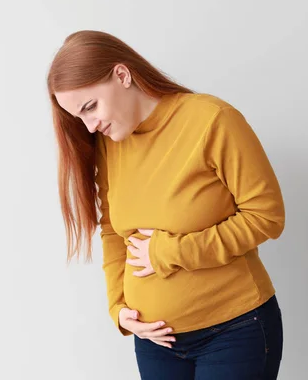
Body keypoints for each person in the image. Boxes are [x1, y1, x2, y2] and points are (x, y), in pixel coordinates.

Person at [47, 30, 285, 379]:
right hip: (156, 343)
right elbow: (113, 230)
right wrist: (119, 305)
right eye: (79, 117)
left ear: (122, 75)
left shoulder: (211, 120)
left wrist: (170, 252)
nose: (91, 125)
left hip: (234, 331)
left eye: (91, 107)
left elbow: (266, 216)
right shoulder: (111, 143)